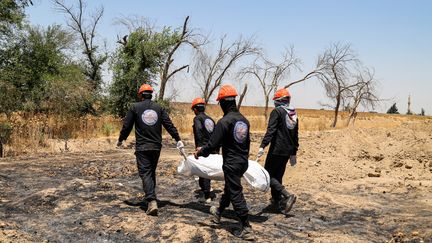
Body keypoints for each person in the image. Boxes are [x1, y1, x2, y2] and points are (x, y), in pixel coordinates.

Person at [194, 84, 254, 240]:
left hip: (232, 163)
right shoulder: (244, 121)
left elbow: (213, 144)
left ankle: (246, 227)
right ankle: (218, 213)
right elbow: (247, 143)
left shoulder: (224, 122)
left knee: (235, 193)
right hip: (243, 161)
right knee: (229, 189)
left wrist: (200, 152)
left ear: (223, 103)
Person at [117, 83, 184, 216]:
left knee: (145, 172)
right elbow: (169, 124)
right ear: (151, 94)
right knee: (150, 171)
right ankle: (151, 196)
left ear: (140, 95)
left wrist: (121, 139)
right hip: (156, 146)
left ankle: (151, 200)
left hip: (142, 146)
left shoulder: (135, 107)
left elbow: (127, 126)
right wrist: (178, 139)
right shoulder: (159, 108)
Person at [257, 88, 298, 215]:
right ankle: (277, 201)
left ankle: (287, 195)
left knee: (268, 175)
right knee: (278, 176)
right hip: (287, 150)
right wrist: (294, 151)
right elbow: (295, 134)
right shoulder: (293, 113)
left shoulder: (277, 112)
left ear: (278, 101)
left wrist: (262, 146)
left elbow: (271, 130)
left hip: (277, 149)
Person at [191, 97, 218, 203]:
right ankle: (207, 191)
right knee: (207, 170)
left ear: (195, 109)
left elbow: (198, 131)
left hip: (203, 148)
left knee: (203, 171)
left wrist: (199, 147)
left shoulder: (197, 118)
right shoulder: (210, 119)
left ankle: (206, 195)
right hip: (212, 147)